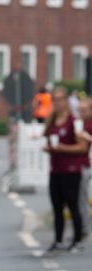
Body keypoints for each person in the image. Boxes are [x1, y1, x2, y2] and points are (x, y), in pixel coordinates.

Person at [43, 87, 88, 255]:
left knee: (73, 205)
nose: (57, 103)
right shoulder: (52, 121)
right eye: (54, 99)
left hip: (71, 168)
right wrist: (50, 148)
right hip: (56, 168)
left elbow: (82, 147)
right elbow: (48, 138)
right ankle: (58, 240)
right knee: (57, 206)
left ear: (66, 101)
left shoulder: (73, 122)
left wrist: (63, 148)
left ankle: (77, 239)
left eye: (60, 99)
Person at [75, 97, 92, 239]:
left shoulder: (88, 125)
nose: (81, 113)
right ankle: (82, 227)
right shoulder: (80, 124)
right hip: (82, 164)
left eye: (84, 110)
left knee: (82, 198)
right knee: (80, 198)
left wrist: (86, 137)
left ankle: (84, 228)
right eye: (80, 110)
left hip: (87, 164)